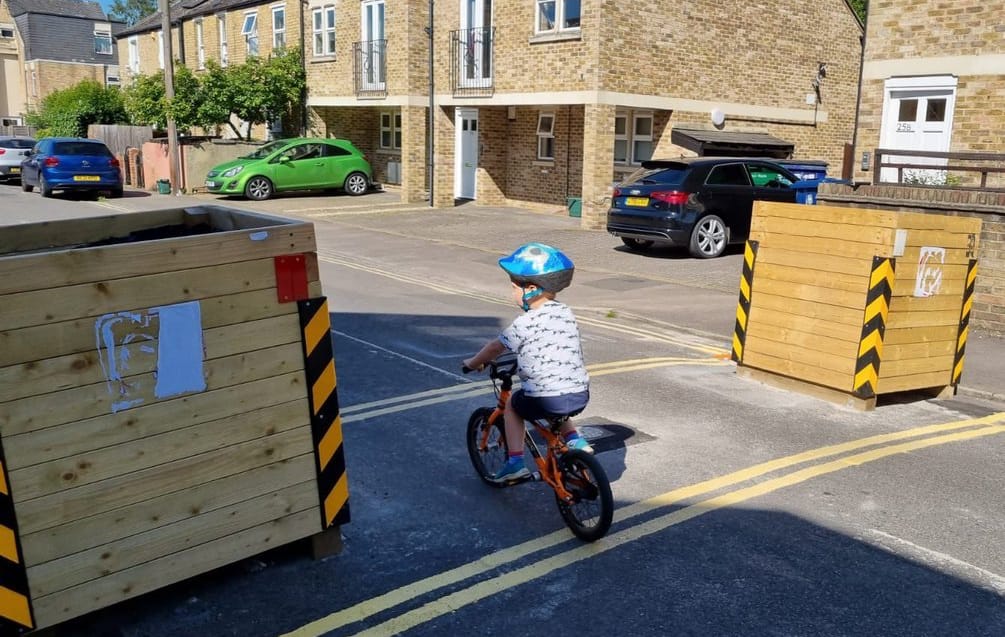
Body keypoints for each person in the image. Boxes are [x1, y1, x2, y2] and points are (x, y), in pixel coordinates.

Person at [463, 242, 592, 482]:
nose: (512, 292)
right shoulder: (566, 312)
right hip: (580, 393)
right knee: (557, 396)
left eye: (513, 287)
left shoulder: (526, 322)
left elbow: (495, 347)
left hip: (546, 398)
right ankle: (575, 439)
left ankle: (515, 463)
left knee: (513, 404)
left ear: (531, 289)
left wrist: (473, 363)